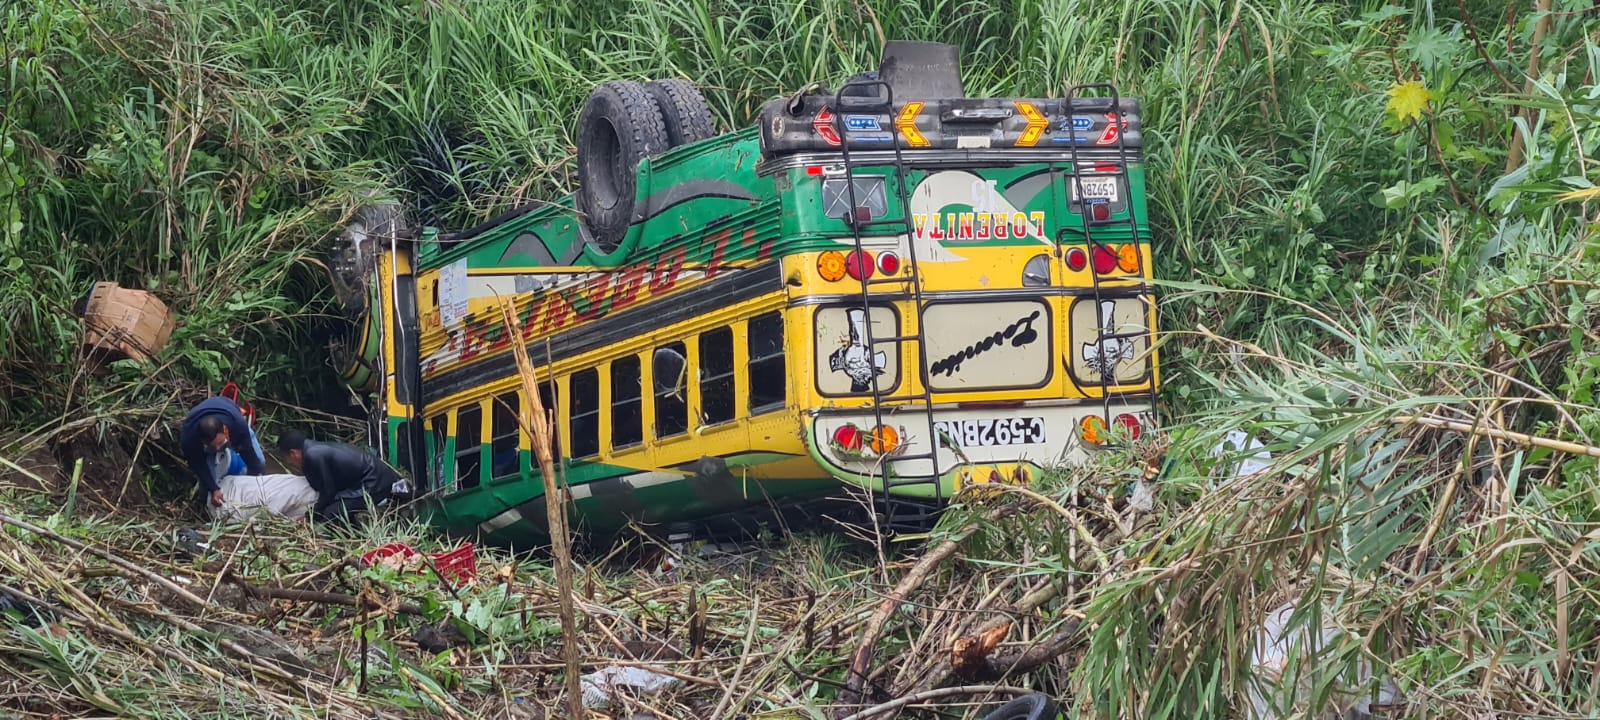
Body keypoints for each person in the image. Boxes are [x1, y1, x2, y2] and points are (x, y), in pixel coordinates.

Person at [277, 430, 401, 524]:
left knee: (331, 513)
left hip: (374, 483)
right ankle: (357, 533)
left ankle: (350, 541)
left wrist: (310, 516)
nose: (290, 463)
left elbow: (328, 492)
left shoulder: (312, 456)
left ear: (293, 453)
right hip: (373, 478)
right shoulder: (313, 449)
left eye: (287, 459)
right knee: (337, 507)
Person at [180, 397, 267, 508]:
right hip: (202, 433)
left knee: (260, 463)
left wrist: (254, 478)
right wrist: (214, 489)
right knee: (207, 489)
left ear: (225, 430)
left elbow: (249, 454)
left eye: (220, 443)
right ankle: (202, 505)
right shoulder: (189, 439)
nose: (218, 449)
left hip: (229, 410)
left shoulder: (238, 426)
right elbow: (199, 466)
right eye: (213, 446)